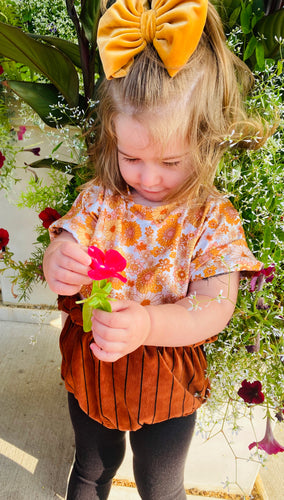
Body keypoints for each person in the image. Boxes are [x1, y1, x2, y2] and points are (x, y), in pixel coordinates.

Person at [43, 0, 269, 498]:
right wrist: (58, 262)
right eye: (131, 156)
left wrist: (147, 324)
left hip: (165, 377)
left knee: (161, 482)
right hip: (95, 367)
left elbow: (215, 306)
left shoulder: (211, 218)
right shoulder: (102, 200)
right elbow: (65, 244)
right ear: (112, 138)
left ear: (207, 142)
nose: (148, 177)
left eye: (170, 160)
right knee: (92, 469)